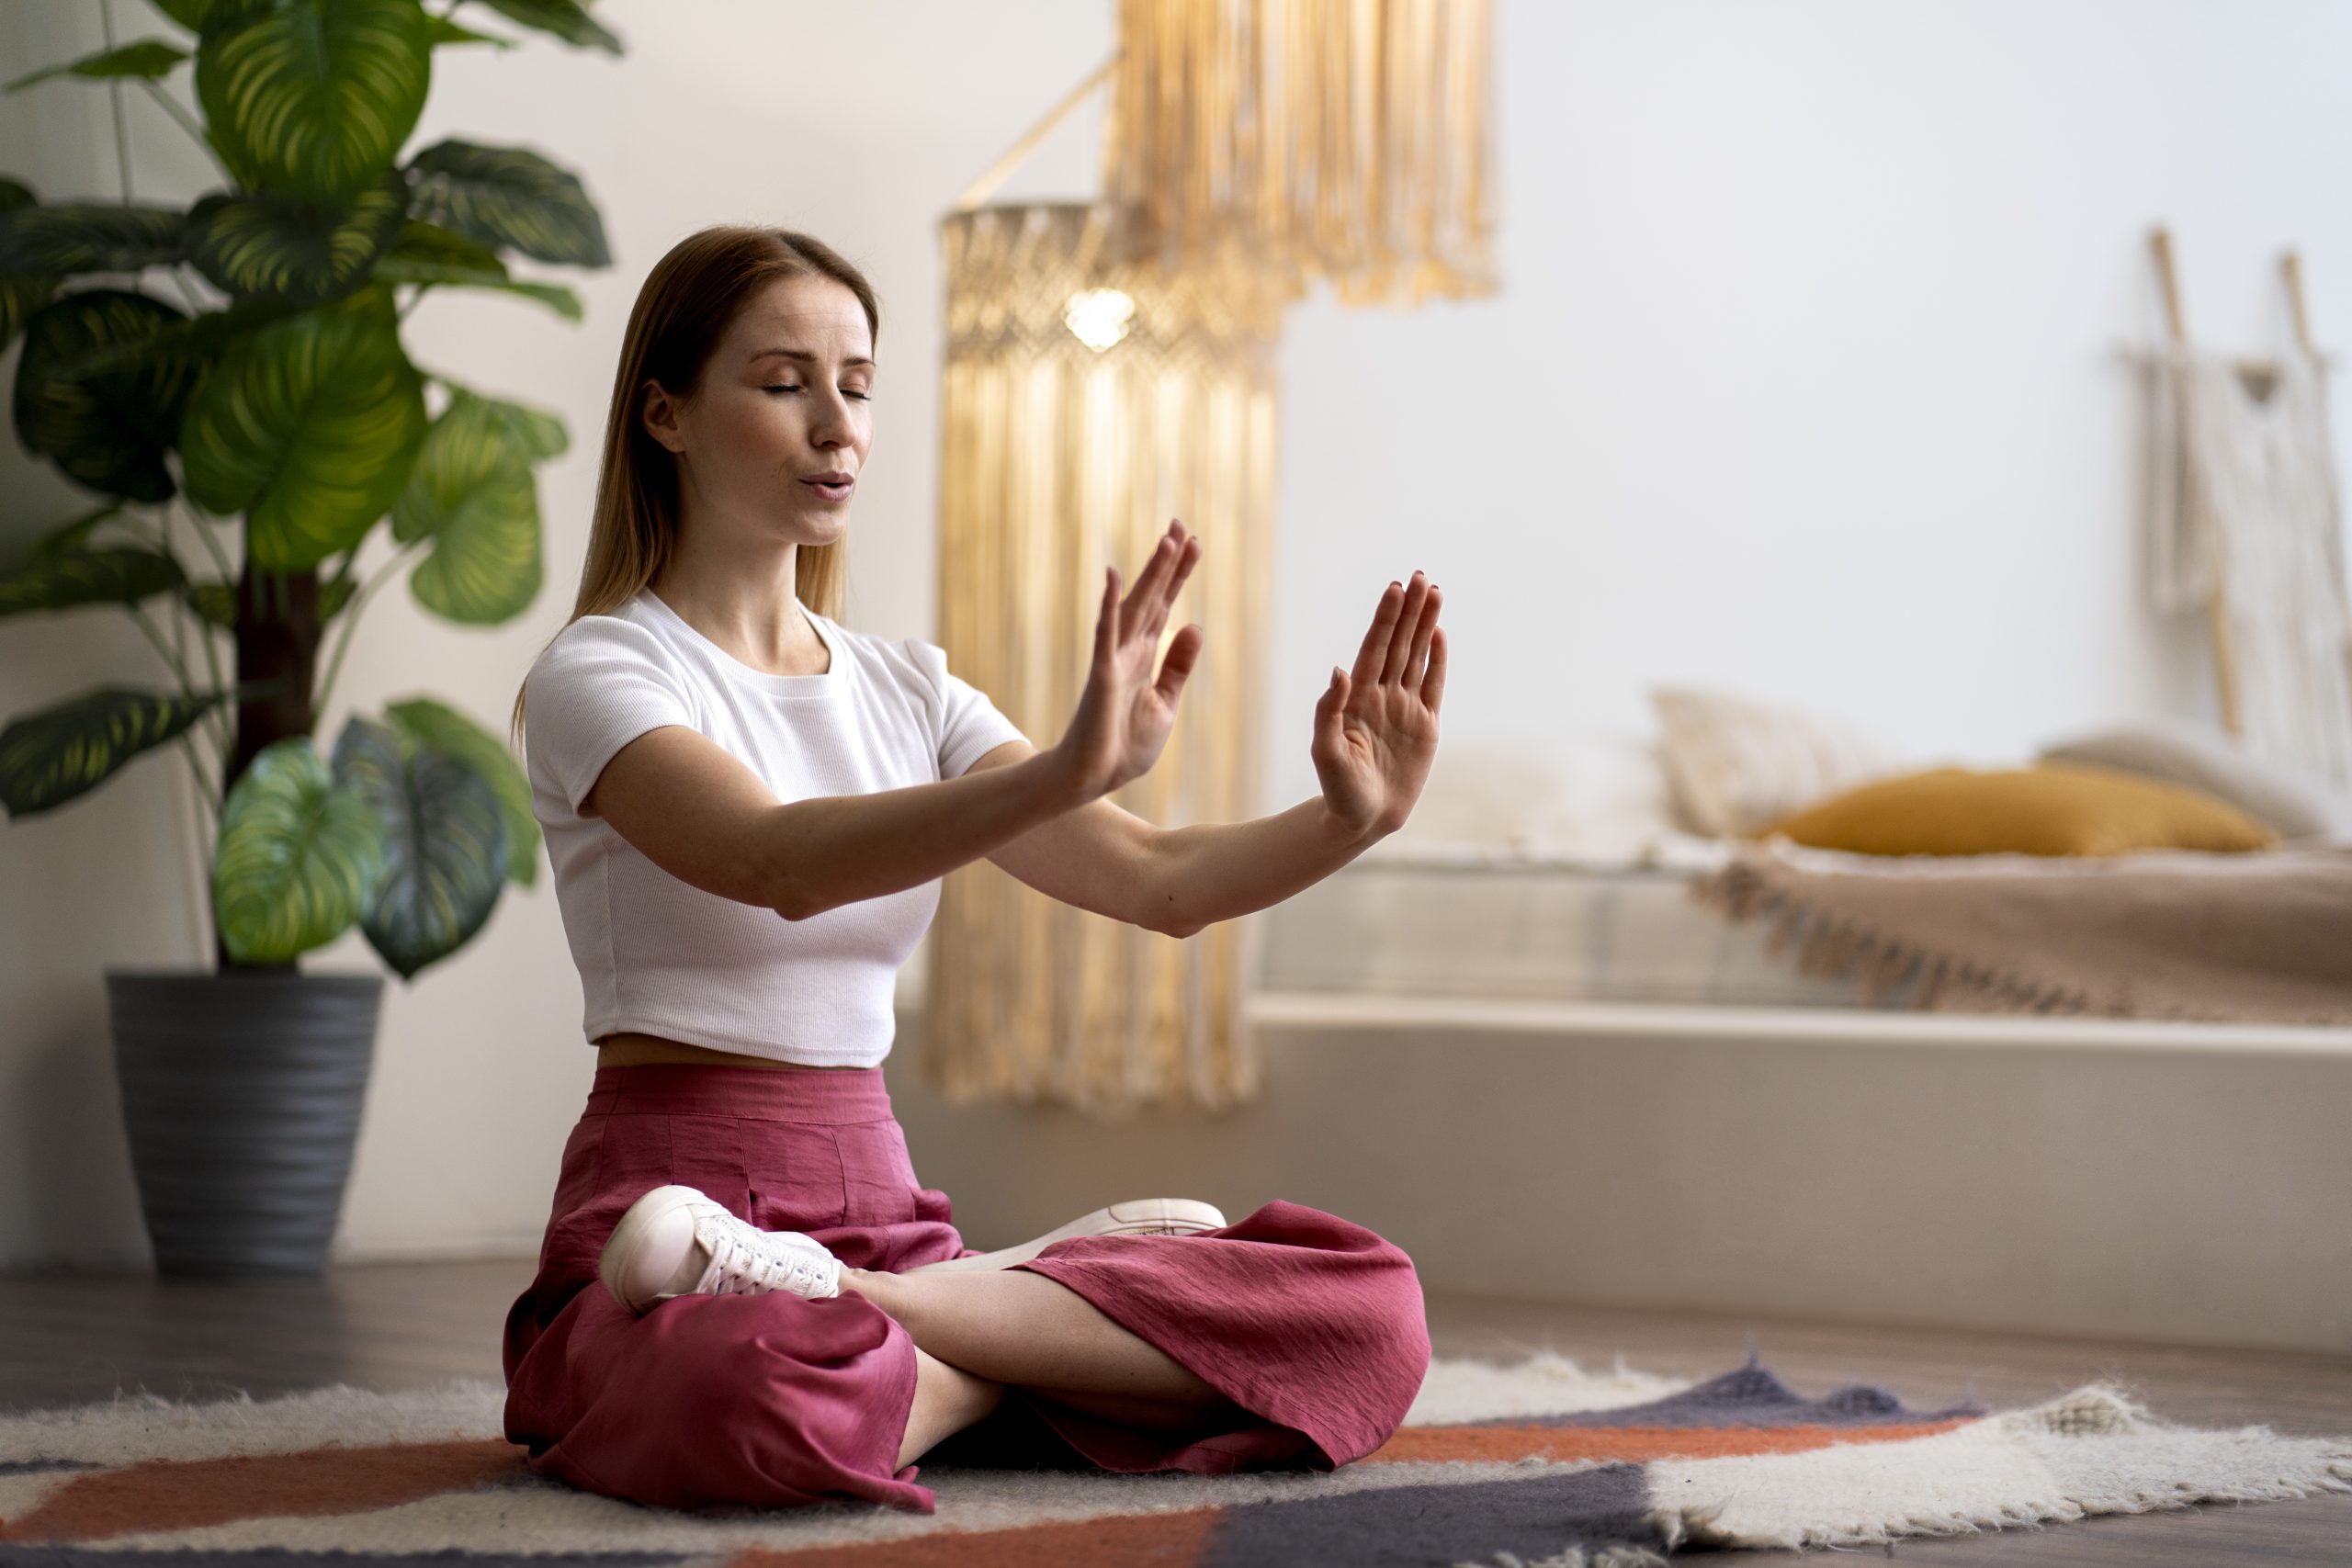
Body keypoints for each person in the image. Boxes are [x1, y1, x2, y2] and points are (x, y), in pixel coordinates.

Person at [499, 224, 1451, 1514]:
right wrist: (1058, 769)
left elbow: (1159, 884)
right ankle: (1019, 1311)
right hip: (666, 1216)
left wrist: (1351, 822)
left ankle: (893, 1305)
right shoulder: (604, 671)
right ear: (665, 414)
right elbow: (774, 859)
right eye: (785, 384)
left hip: (882, 1208)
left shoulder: (907, 684)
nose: (837, 424)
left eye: (859, 384)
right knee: (729, 1397)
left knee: (1370, 1318)